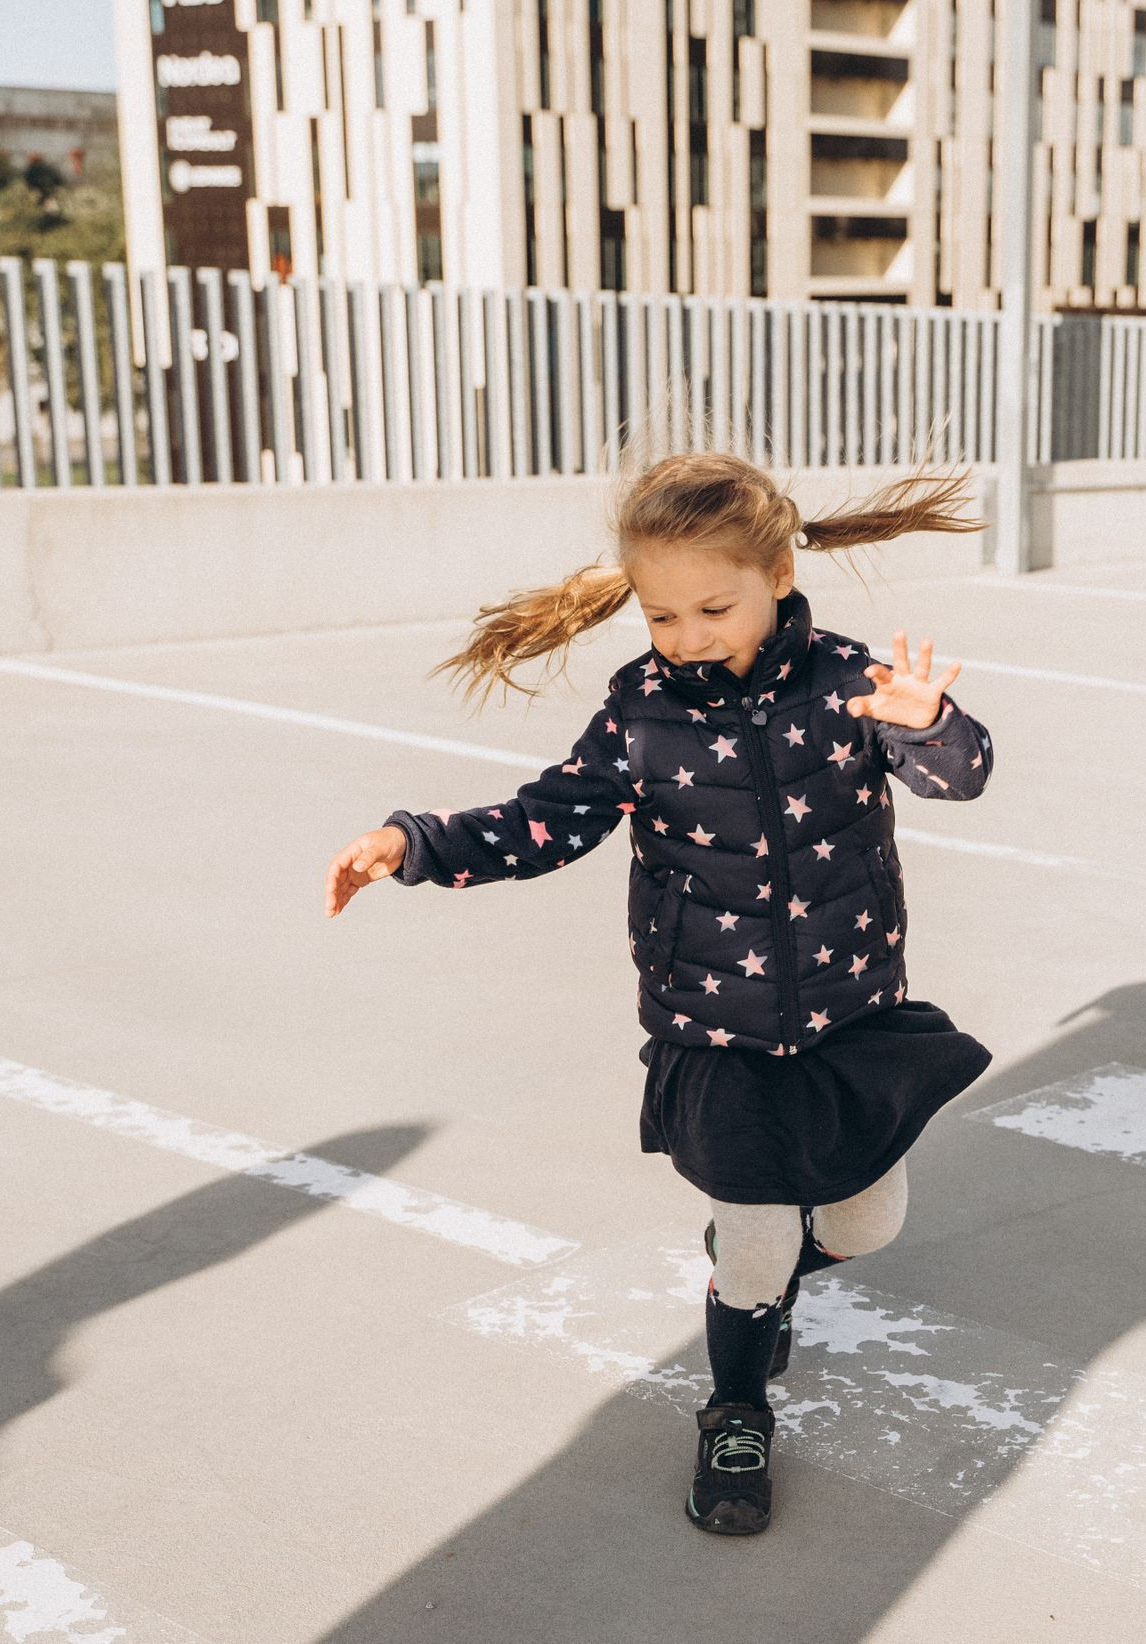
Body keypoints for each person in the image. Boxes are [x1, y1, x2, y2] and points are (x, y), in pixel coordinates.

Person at [322, 450, 997, 1537]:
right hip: (716, 1029)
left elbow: (959, 774)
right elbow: (546, 820)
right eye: (661, 616)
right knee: (761, 1237)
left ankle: (761, 1276)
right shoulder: (640, 713)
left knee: (868, 1225)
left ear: (778, 574)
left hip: (850, 1011)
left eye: (713, 609)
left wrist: (927, 722)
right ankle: (736, 1402)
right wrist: (415, 843)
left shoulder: (846, 681)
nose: (687, 637)